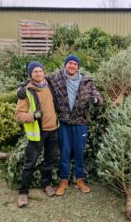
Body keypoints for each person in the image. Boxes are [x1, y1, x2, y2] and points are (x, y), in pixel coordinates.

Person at [18, 55, 103, 196]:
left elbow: (100, 98)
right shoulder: (56, 78)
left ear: (78, 67)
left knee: (79, 152)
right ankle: (63, 180)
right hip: (63, 122)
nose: (72, 66)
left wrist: (95, 100)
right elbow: (37, 77)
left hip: (81, 123)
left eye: (75, 64)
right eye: (69, 63)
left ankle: (79, 179)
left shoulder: (87, 81)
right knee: (64, 152)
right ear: (65, 65)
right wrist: (20, 86)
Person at [15, 61, 58, 207]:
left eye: (40, 71)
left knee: (50, 160)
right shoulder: (25, 92)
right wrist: (33, 115)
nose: (39, 74)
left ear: (44, 72)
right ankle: (23, 193)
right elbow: (18, 115)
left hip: (53, 130)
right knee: (30, 163)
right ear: (30, 74)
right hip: (37, 134)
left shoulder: (50, 85)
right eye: (35, 72)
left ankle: (46, 185)